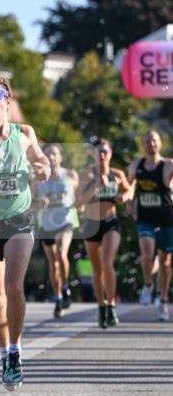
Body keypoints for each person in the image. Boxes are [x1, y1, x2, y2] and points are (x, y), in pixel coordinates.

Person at [0, 76, 50, 390]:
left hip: (19, 219)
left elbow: (41, 160)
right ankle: (4, 352)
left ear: (7, 100)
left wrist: (44, 167)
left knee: (13, 286)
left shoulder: (24, 133)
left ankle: (16, 351)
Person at [75, 138, 131, 328]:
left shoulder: (117, 174)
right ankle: (101, 307)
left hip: (110, 223)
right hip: (91, 225)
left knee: (107, 261)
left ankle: (112, 305)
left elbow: (129, 191)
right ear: (93, 154)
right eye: (98, 152)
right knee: (97, 270)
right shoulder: (86, 175)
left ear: (111, 153)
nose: (102, 155)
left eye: (105, 151)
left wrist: (125, 196)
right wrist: (95, 187)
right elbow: (78, 202)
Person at [127, 129, 173, 322]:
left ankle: (162, 301)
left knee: (164, 262)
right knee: (146, 255)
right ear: (143, 144)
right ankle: (147, 284)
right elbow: (128, 188)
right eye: (147, 141)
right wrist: (129, 204)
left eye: (154, 141)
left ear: (160, 143)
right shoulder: (135, 165)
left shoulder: (168, 165)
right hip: (145, 218)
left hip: (167, 218)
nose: (151, 144)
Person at [33, 143, 78, 318]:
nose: (51, 157)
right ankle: (58, 296)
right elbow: (30, 199)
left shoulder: (70, 174)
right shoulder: (39, 178)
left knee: (61, 253)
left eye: (54, 154)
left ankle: (65, 286)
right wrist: (39, 202)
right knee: (52, 262)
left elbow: (77, 192)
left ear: (60, 157)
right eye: (48, 155)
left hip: (65, 222)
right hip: (47, 224)